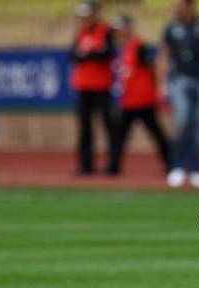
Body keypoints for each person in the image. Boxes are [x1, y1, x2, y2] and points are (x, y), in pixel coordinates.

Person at [157, 0, 199, 188]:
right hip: (179, 79)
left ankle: (194, 167)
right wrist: (161, 84)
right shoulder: (171, 27)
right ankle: (178, 166)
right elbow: (163, 55)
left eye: (180, 4)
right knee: (183, 121)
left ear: (189, 5)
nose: (176, 8)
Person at [108, 15, 171, 175]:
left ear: (128, 28)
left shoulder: (138, 45)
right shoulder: (124, 48)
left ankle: (171, 163)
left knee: (156, 133)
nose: (117, 32)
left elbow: (153, 67)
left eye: (120, 28)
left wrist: (157, 88)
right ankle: (113, 167)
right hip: (129, 101)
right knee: (119, 134)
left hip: (142, 100)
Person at [70, 0, 116, 175]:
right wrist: (91, 53)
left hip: (102, 85)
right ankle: (85, 164)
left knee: (107, 125)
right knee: (84, 127)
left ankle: (112, 164)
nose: (85, 18)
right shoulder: (81, 31)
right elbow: (73, 54)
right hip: (83, 86)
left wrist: (87, 53)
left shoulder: (105, 31)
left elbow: (106, 54)